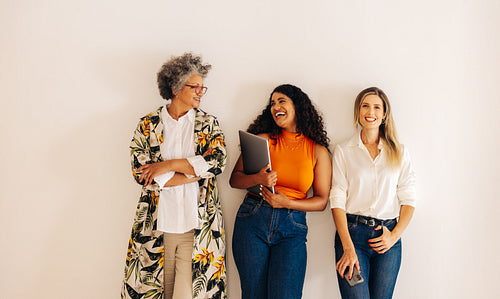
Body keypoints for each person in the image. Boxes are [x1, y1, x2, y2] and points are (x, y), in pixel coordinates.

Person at [121, 53, 227, 299]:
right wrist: (194, 172)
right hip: (156, 231)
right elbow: (144, 175)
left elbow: (217, 162)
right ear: (175, 87)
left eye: (203, 87)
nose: (201, 92)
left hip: (197, 231)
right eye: (195, 86)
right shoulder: (147, 125)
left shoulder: (208, 124)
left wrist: (167, 165)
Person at [229, 84, 332, 299]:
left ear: (297, 106)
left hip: (292, 227)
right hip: (252, 221)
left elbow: (321, 201)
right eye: (272, 103)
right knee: (253, 294)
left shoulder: (318, 151)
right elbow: (235, 179)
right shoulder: (263, 140)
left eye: (281, 101)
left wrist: (288, 203)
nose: (275, 106)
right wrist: (259, 178)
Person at [330, 87, 416, 298]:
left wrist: (394, 236)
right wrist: (348, 247)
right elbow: (337, 200)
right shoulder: (343, 151)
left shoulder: (399, 152)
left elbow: (409, 198)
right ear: (358, 112)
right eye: (365, 106)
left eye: (377, 107)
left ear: (384, 114)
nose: (371, 112)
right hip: (352, 236)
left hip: (387, 238)